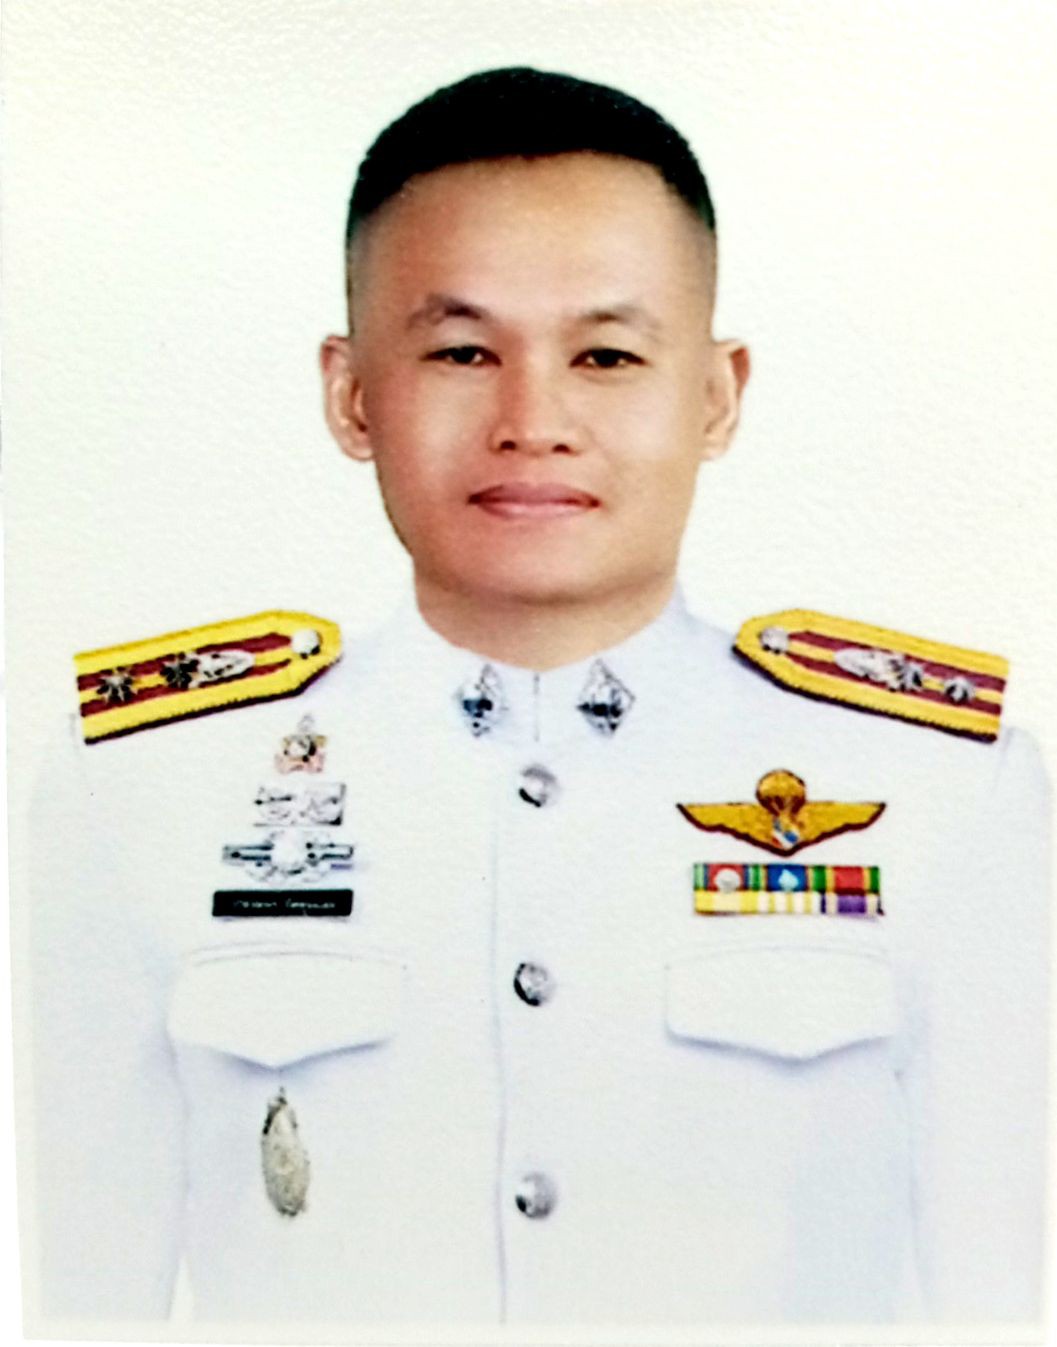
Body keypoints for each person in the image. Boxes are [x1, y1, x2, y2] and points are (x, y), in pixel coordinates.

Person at [28, 66, 1049, 1329]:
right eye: (462, 351)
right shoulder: (141, 788)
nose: (533, 419)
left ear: (717, 394)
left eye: (606, 354)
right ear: (352, 393)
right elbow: (70, 1297)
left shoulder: (946, 788)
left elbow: (1009, 1297)